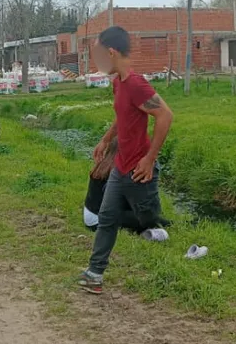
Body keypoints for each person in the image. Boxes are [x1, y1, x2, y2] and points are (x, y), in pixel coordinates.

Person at [77, 26, 176, 295]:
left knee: (149, 217)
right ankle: (94, 274)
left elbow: (166, 116)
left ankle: (160, 226)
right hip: (122, 167)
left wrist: (149, 158)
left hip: (140, 171)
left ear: (111, 52)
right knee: (107, 217)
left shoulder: (135, 84)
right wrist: (106, 139)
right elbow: (122, 118)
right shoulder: (117, 83)